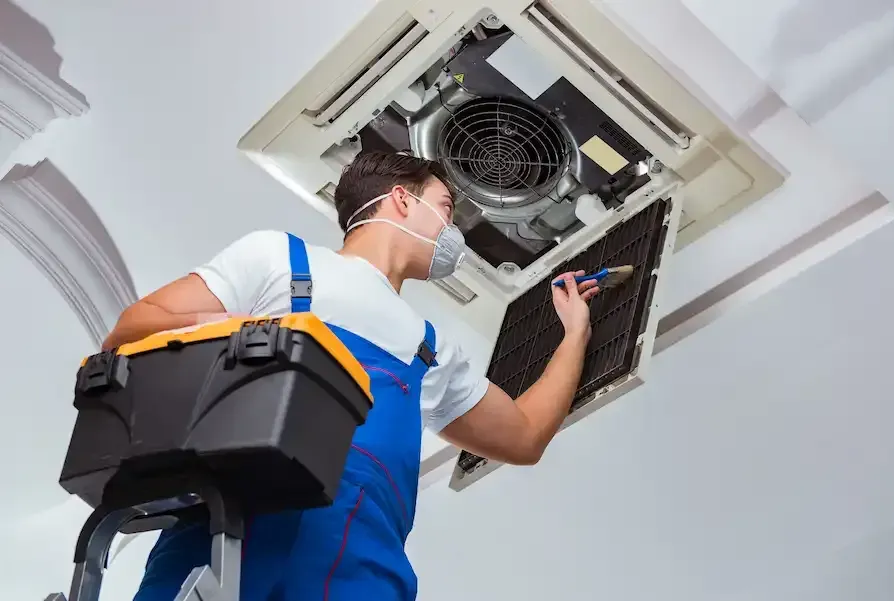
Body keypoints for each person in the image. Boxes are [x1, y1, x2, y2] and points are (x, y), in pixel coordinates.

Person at [104, 151, 601, 601]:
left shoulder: (430, 348)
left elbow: (524, 436)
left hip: (361, 566)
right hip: (223, 537)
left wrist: (574, 332)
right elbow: (132, 332)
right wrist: (262, 333)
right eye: (446, 208)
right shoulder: (280, 260)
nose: (453, 232)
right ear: (402, 200)